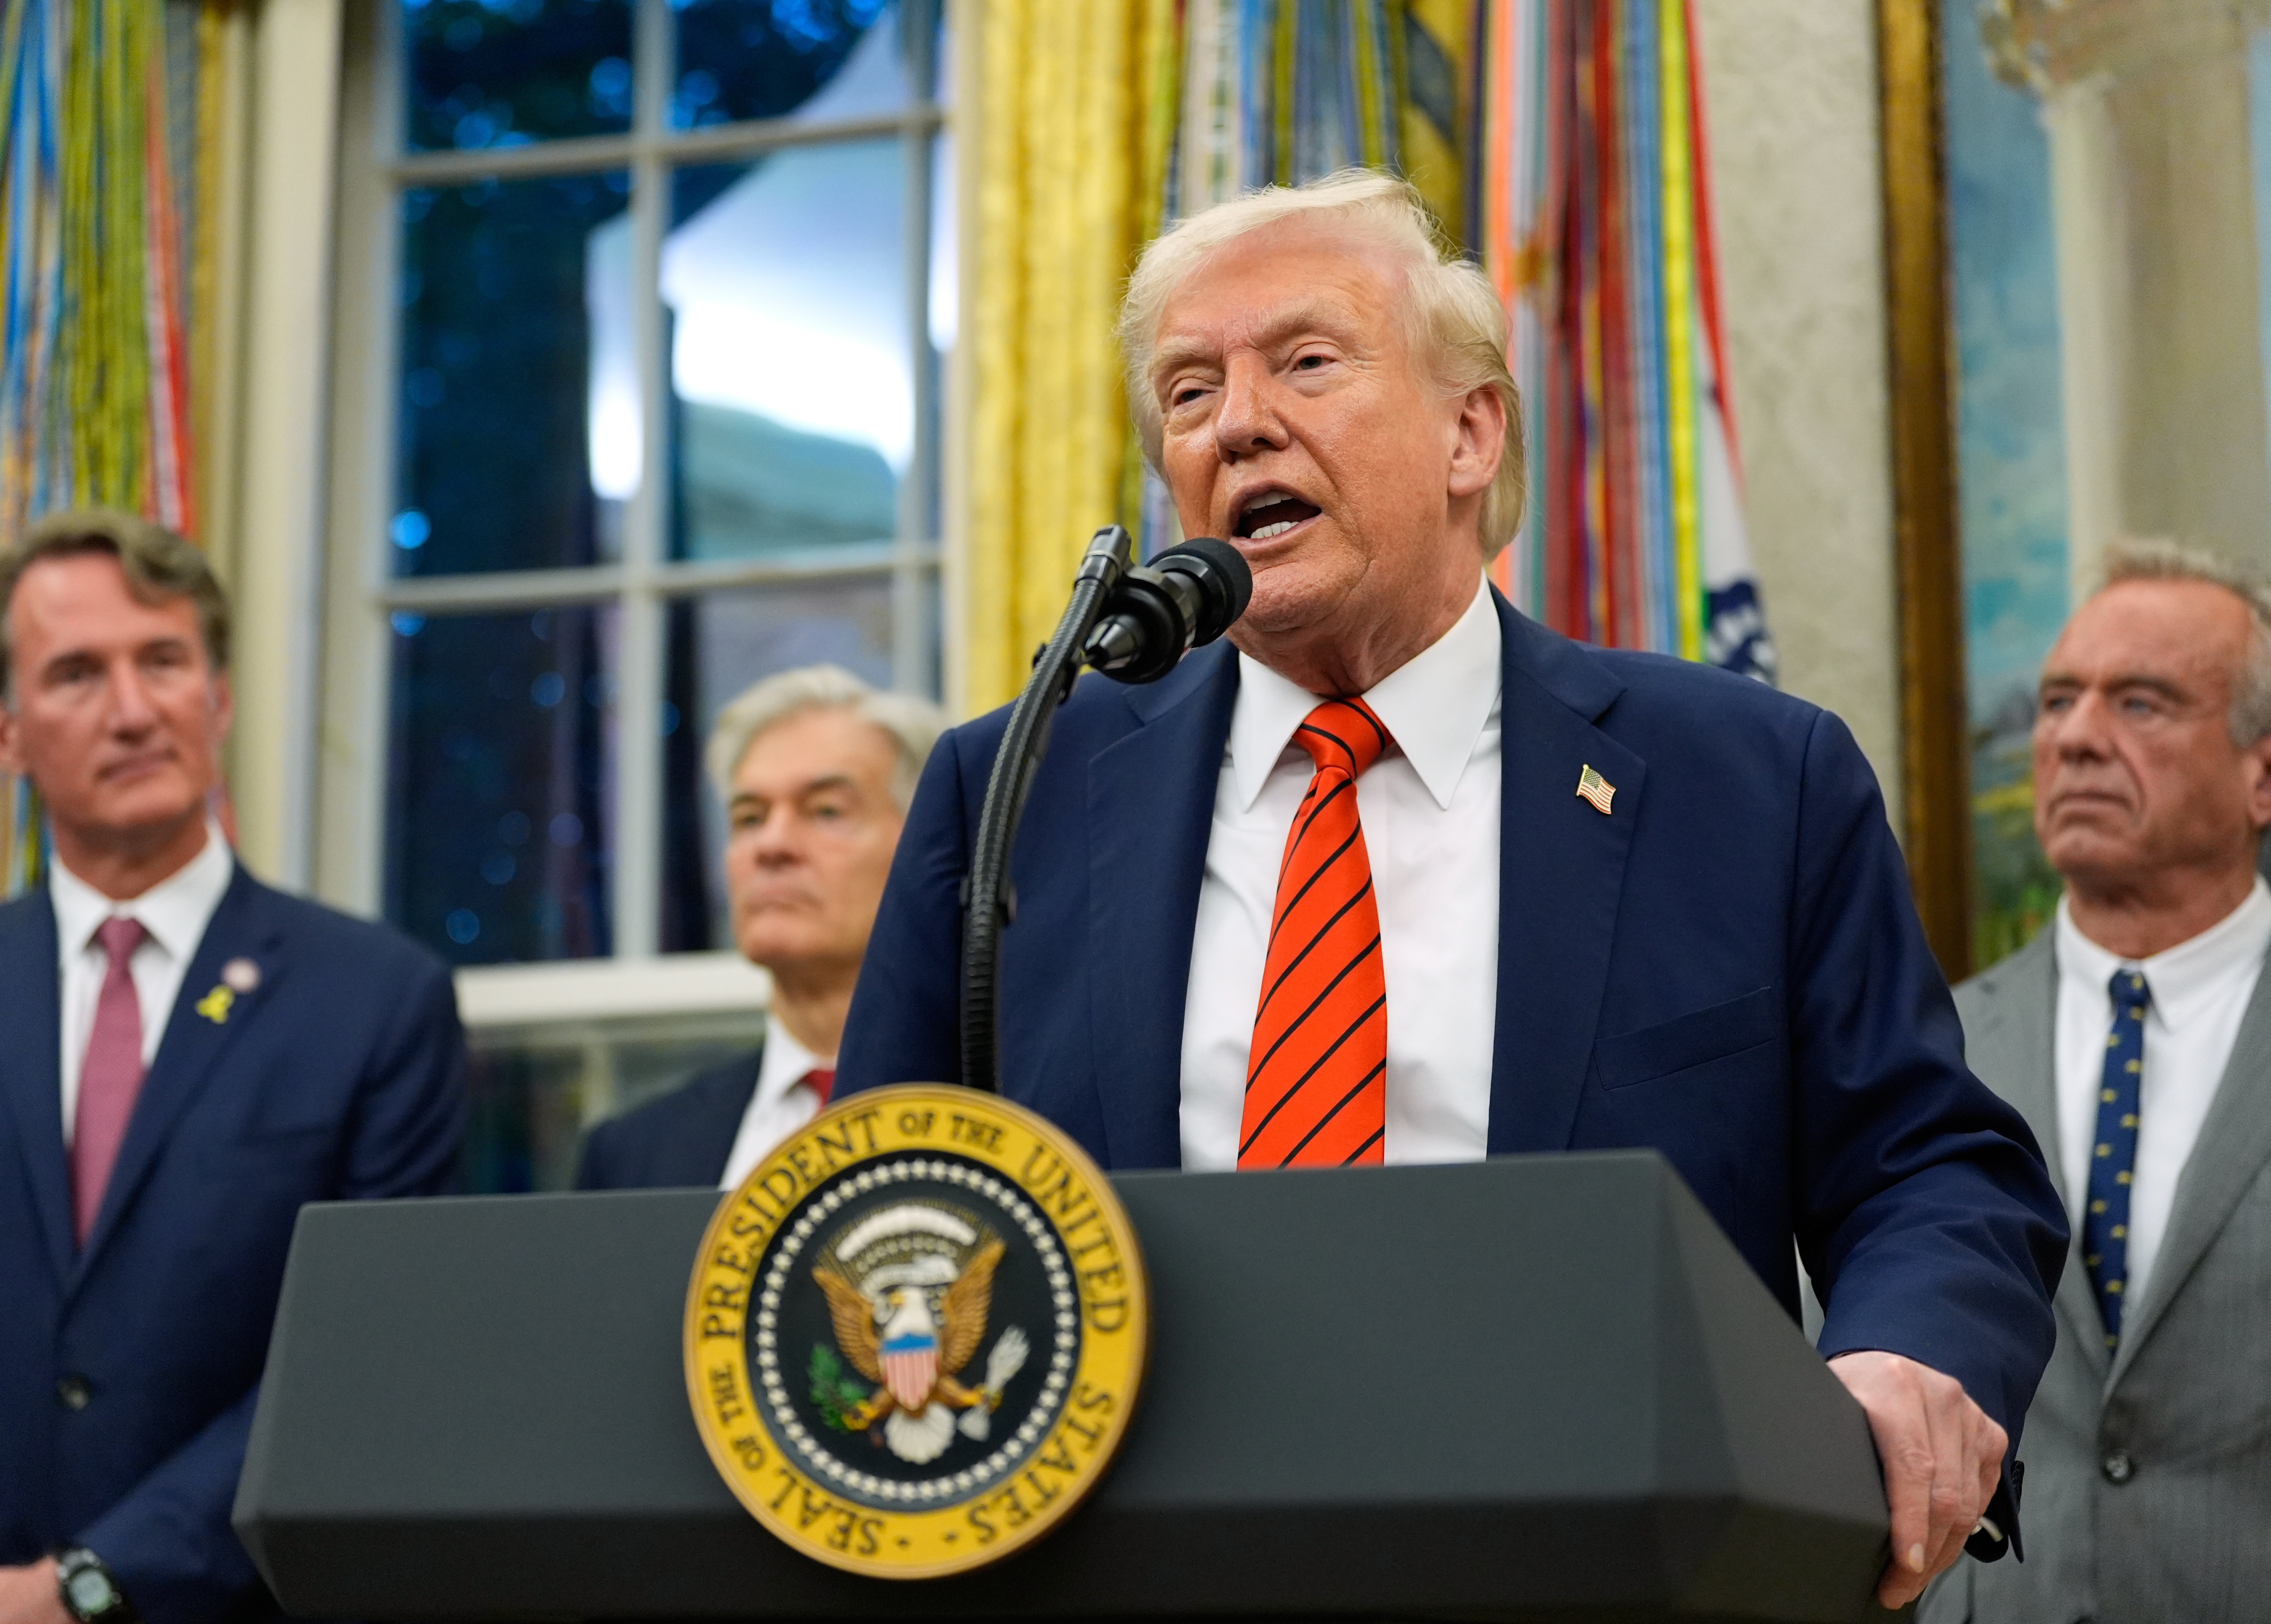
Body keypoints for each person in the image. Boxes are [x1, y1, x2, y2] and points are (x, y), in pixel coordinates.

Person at [835, 171, 2066, 1609]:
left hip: (1601, 1574)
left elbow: (1927, 1168)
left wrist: (1909, 1355)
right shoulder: (1018, 791)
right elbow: (879, 1212)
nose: (1237, 423)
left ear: (1470, 431)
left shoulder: (1747, 782)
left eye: (1305, 361)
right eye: (1187, 392)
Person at [0, 512, 467, 1624]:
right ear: (4, 731)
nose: (133, 710)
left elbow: (364, 1372)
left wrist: (83, 1590)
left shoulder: (375, 1005)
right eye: (77, 674)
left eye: (163, 661)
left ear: (217, 698)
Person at [1922, 543, 2271, 1624]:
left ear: (2261, 772)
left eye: (2143, 704)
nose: (2075, 738)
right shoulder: (1928, 1051)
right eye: (2060, 701)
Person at [576, 666, 942, 1190]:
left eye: (825, 811)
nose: (771, 847)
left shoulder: (1013, 1114)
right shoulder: (633, 1154)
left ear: (930, 847)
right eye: (749, 818)